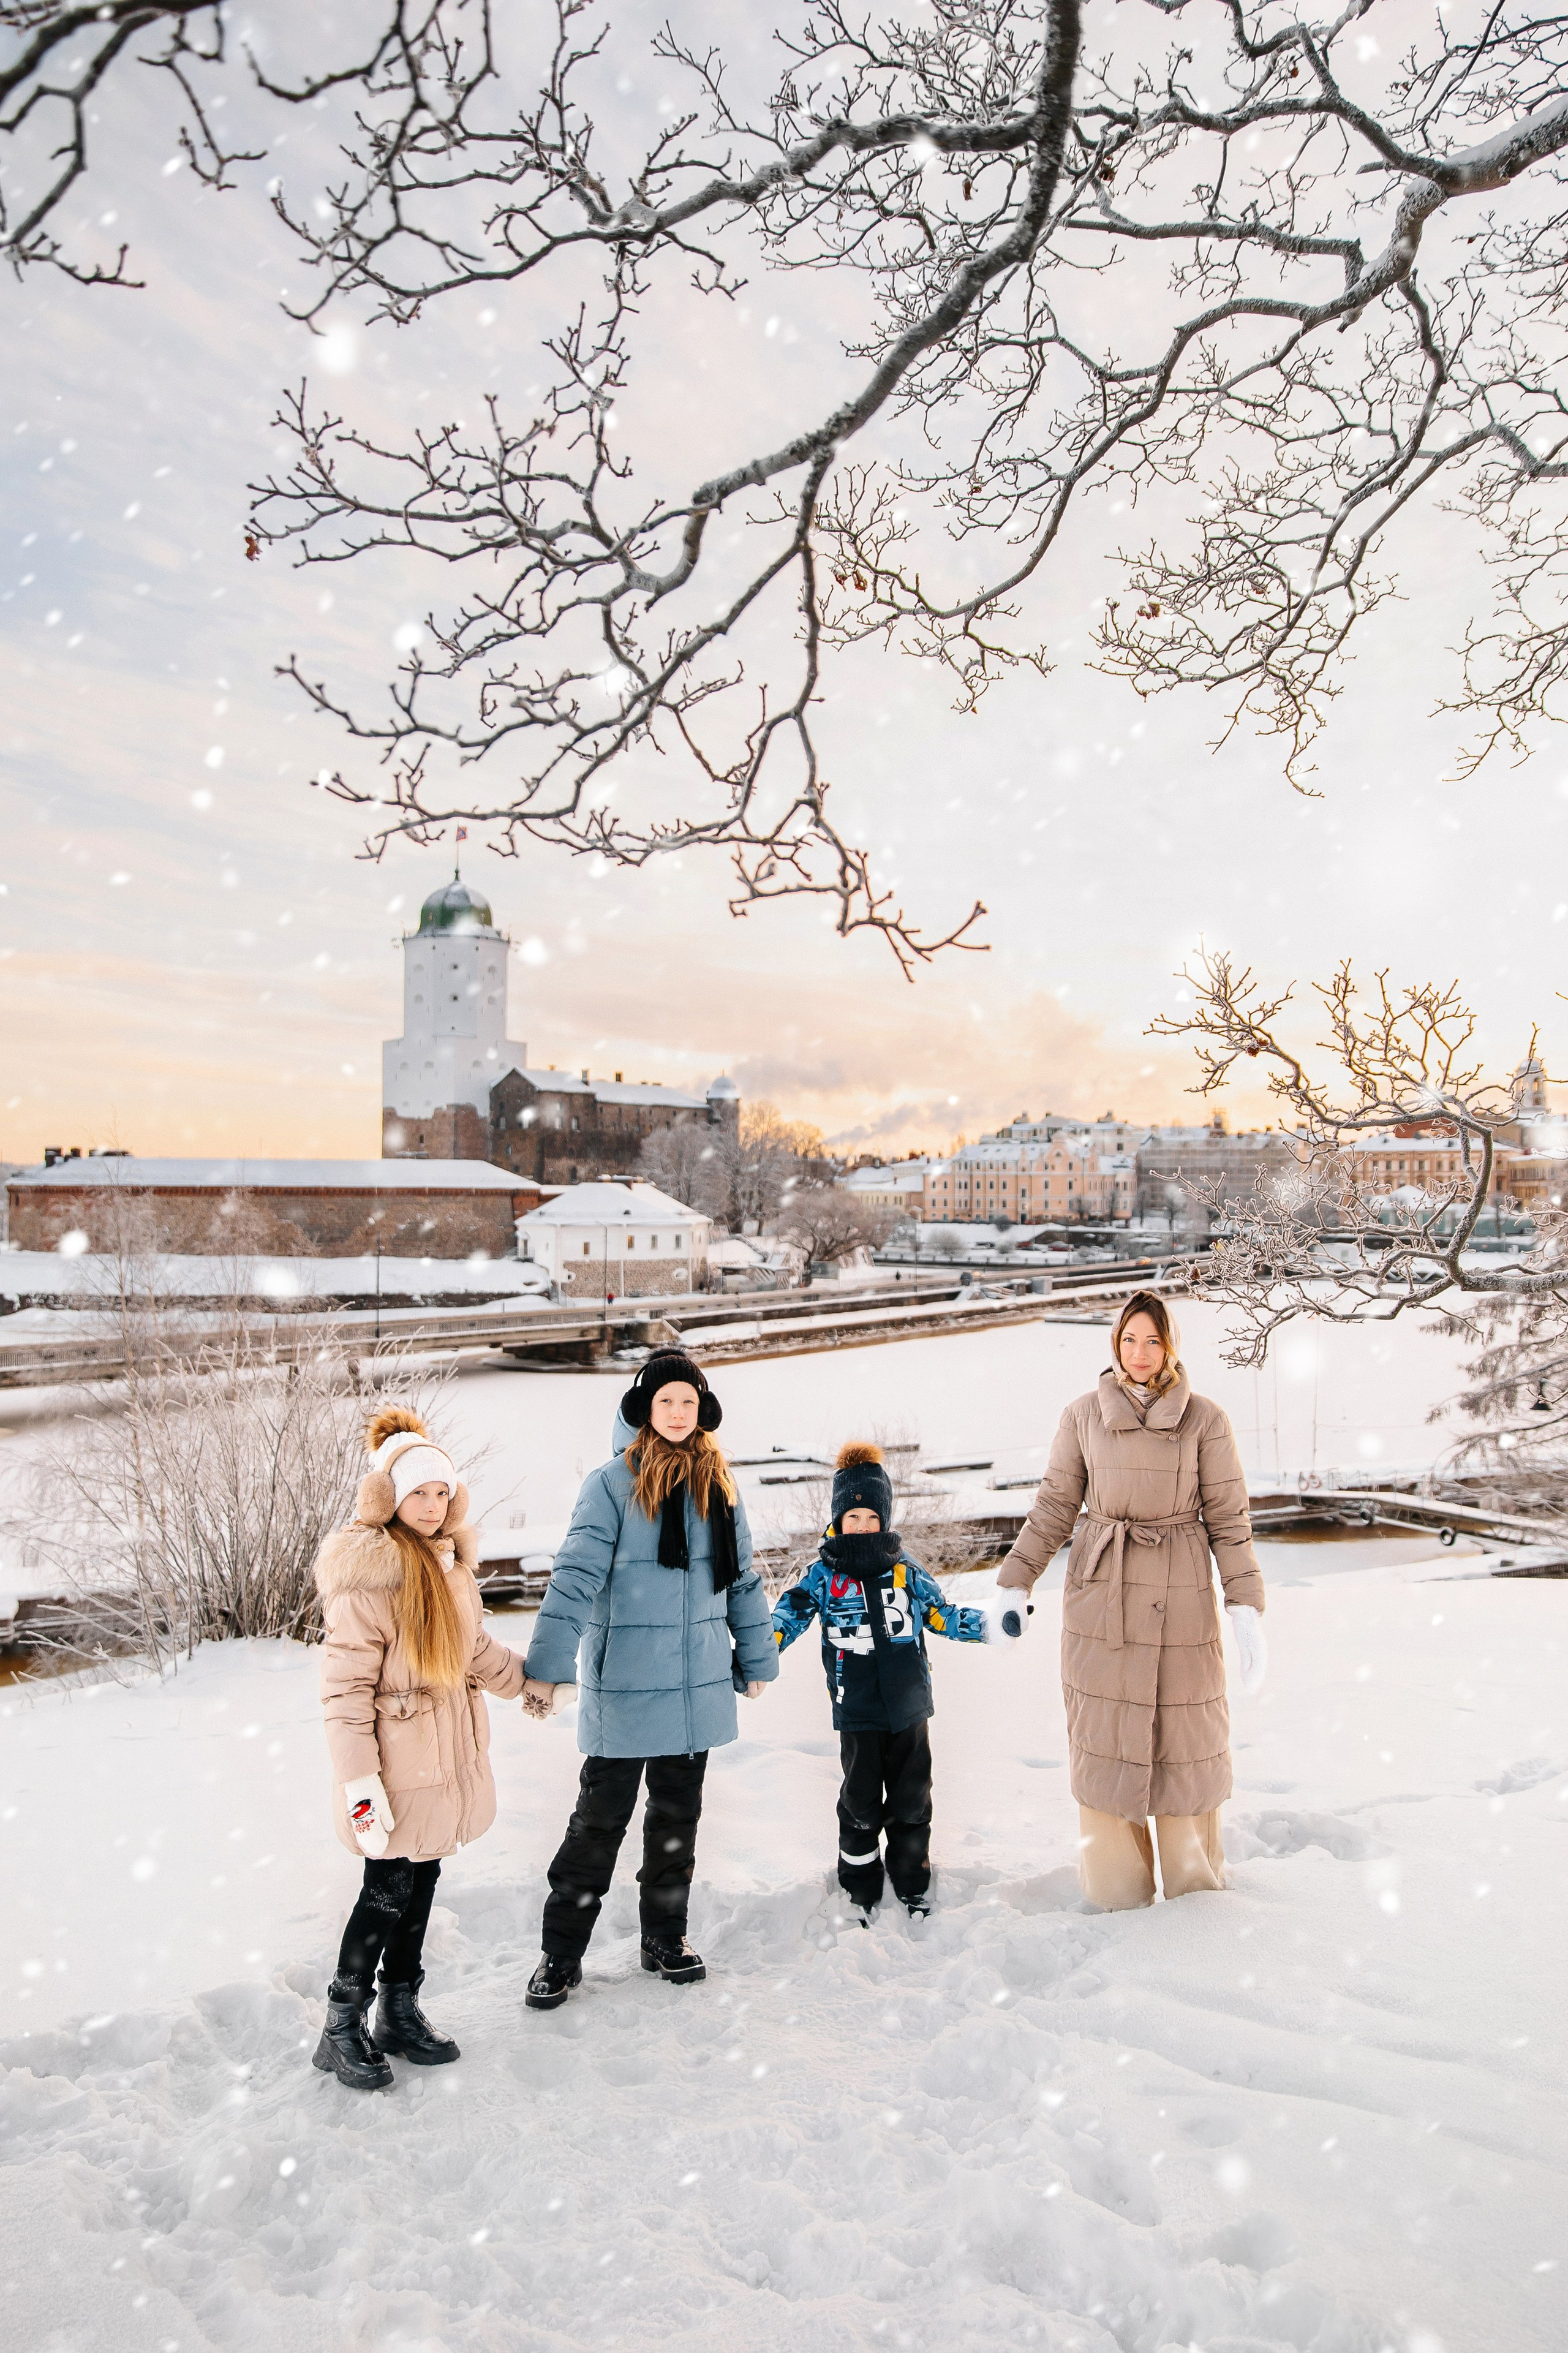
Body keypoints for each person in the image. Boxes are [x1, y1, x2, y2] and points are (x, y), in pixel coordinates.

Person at [520, 1351, 777, 2006]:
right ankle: (561, 1953)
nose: (677, 1412)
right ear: (643, 1410)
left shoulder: (720, 1485)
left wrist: (755, 1657)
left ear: (702, 1411)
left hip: (695, 1687)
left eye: (688, 1402)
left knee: (676, 1821)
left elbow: (742, 1579)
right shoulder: (610, 1484)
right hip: (626, 1689)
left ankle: (664, 1939)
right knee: (597, 1823)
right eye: (666, 1401)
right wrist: (547, 1668)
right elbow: (575, 1578)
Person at [996, 1293, 1268, 1911]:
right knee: (1106, 1739)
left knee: (1186, 1738)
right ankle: (1116, 1896)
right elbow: (1054, 1507)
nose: (1139, 1355)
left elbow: (1229, 1520)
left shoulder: (1205, 1420)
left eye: (1152, 1342)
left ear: (1170, 1347)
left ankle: (1197, 1893)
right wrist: (1017, 1580)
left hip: (1181, 1593)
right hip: (1102, 1595)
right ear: (1114, 1345)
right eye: (1128, 1341)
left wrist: (1244, 1607)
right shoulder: (1082, 1416)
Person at [311, 1405, 526, 2089]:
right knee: (387, 1887)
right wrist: (360, 1785)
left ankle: (398, 2010)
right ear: (389, 1497)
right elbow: (345, 1693)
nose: (432, 1506)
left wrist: (533, 1684)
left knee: (422, 1880)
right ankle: (340, 2026)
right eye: (418, 1493)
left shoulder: (449, 1566)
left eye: (442, 1493)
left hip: (442, 1762)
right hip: (394, 1772)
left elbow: (474, 1651)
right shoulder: (367, 1577)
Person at [771, 1441, 1014, 1921]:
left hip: (909, 1708)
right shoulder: (823, 1574)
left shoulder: (906, 1571)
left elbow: (941, 1617)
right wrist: (754, 1652)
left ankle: (911, 1879)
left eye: (871, 1518)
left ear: (884, 1520)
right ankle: (859, 1886)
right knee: (860, 1802)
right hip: (857, 1708)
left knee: (912, 1798)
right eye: (852, 1518)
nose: (861, 1527)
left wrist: (992, 1625)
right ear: (838, 1521)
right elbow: (786, 1618)